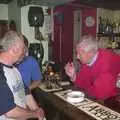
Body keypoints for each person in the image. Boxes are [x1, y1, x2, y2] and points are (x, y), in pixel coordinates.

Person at [0, 31, 44, 120]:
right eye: (23, 48)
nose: (25, 52)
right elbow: (10, 112)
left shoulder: (14, 68)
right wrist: (35, 114)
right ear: (14, 49)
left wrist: (37, 110)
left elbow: (25, 92)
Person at [65, 35, 120, 100]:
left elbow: (101, 95)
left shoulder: (105, 64)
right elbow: (82, 83)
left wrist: (87, 88)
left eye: (80, 54)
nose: (77, 57)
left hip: (115, 100)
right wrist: (73, 76)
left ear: (90, 53)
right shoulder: (89, 60)